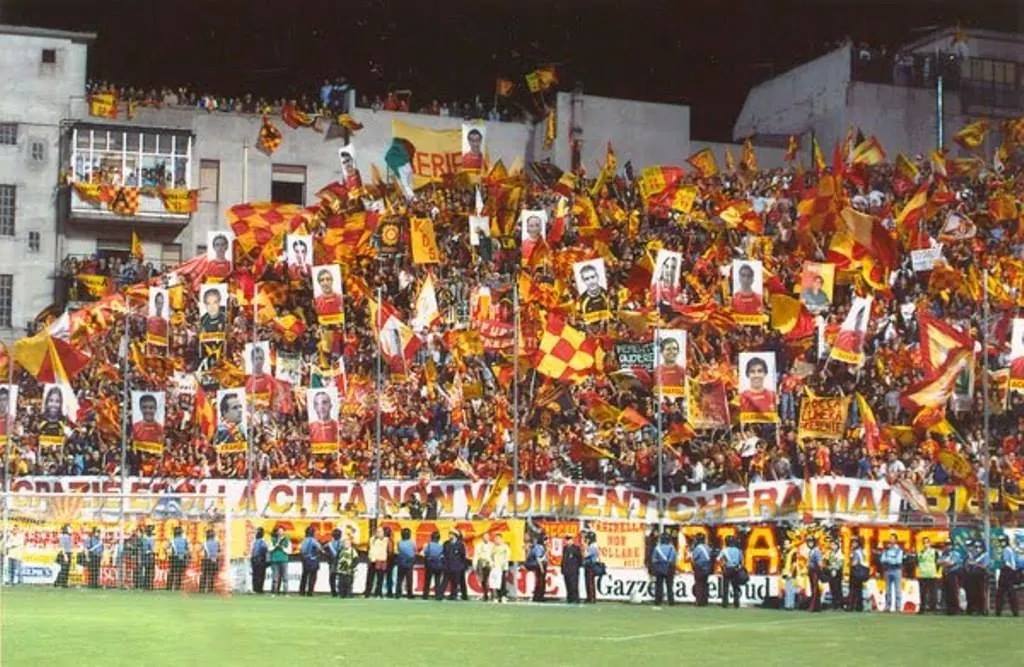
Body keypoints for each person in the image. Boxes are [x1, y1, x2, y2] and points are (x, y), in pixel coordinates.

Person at [651, 532, 678, 606]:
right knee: (669, 586)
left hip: (659, 568)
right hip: (669, 568)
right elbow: (674, 560)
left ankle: (658, 601)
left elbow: (654, 560)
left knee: (659, 586)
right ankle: (671, 602)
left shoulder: (657, 548)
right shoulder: (672, 548)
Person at [880, 533, 904, 613]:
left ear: (896, 540)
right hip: (887, 570)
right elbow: (882, 560)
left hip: (896, 570)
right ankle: (887, 606)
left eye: (893, 539)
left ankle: (898, 607)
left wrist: (888, 559)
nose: (891, 540)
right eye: (890, 538)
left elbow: (898, 561)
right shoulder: (886, 550)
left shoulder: (899, 550)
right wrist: (892, 559)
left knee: (898, 589)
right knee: (887, 590)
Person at [441, 529, 468, 601]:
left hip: (457, 566)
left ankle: (453, 595)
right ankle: (440, 595)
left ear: (455, 535)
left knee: (455, 582)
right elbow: (443, 554)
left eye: (451, 534)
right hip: (447, 566)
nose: (449, 535)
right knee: (444, 581)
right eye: (449, 534)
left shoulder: (460, 544)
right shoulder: (446, 543)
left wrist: (462, 565)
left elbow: (463, 556)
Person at [994, 535, 1019, 617]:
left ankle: (999, 611)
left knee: (1003, 593)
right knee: (1009, 593)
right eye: (1000, 541)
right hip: (1010, 572)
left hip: (1007, 571)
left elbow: (1007, 563)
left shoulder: (1006, 550)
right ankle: (1014, 612)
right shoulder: (1010, 550)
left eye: (1003, 541)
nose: (1001, 543)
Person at [938, 541, 964, 615]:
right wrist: (945, 563)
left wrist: (944, 563)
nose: (947, 547)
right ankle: (948, 609)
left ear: (952, 546)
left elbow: (951, 563)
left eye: (948, 545)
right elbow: (938, 562)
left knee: (954, 592)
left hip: (953, 574)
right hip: (946, 574)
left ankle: (955, 609)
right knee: (947, 592)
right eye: (946, 545)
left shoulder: (955, 554)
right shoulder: (944, 554)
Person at [965, 540, 990, 615]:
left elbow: (985, 566)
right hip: (973, 575)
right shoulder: (973, 555)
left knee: (981, 593)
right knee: (972, 593)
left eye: (979, 547)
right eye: (976, 547)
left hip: (982, 575)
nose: (977, 549)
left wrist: (975, 564)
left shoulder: (985, 555)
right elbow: (968, 564)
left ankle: (982, 610)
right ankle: (973, 609)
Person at [717, 536, 743, 608]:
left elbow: (718, 559)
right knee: (735, 587)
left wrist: (722, 566)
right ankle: (736, 604)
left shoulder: (724, 550)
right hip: (735, 569)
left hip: (727, 569)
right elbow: (741, 561)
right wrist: (738, 567)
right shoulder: (738, 550)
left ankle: (725, 604)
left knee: (725, 587)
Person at [916, 536, 940, 613]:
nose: (925, 544)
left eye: (927, 542)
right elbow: (917, 563)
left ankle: (933, 608)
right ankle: (922, 608)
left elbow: (938, 562)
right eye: (924, 543)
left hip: (932, 574)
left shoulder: (934, 552)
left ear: (930, 543)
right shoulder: (920, 552)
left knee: (933, 593)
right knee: (922, 593)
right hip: (922, 575)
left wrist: (935, 570)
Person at [366, 526, 389, 598]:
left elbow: (388, 550)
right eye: (377, 531)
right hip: (373, 560)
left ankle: (378, 593)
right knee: (370, 578)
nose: (378, 533)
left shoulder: (386, 539)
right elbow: (369, 548)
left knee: (380, 578)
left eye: (380, 531)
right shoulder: (372, 539)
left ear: (383, 533)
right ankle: (367, 593)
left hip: (381, 560)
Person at [299, 526, 322, 596]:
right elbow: (320, 548)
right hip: (313, 560)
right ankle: (310, 592)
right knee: (312, 577)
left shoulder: (304, 541)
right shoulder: (313, 540)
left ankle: (302, 591)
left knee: (304, 576)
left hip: (305, 560)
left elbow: (301, 550)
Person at [422, 530, 445, 600]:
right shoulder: (441, 546)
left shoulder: (428, 545)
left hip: (430, 565)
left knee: (427, 581)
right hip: (438, 565)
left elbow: (425, 553)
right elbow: (442, 555)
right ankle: (437, 595)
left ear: (431, 537)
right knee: (437, 581)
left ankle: (425, 595)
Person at [847, 537, 868, 612]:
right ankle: (859, 606)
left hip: (856, 572)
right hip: (860, 572)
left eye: (854, 543)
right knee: (859, 590)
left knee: (853, 589)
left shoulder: (856, 552)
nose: (853, 544)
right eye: (852, 543)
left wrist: (850, 563)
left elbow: (854, 563)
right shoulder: (861, 551)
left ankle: (851, 606)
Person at [561, 533, 582, 604]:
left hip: (574, 569)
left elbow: (580, 558)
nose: (568, 541)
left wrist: (577, 566)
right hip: (566, 569)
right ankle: (569, 598)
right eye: (567, 540)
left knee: (574, 585)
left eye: (569, 539)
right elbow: (563, 559)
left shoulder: (576, 548)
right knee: (568, 584)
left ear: (572, 540)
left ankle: (576, 599)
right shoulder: (565, 548)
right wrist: (562, 568)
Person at [526, 534, 548, 602]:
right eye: (545, 540)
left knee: (541, 581)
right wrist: (541, 568)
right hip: (539, 566)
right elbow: (538, 559)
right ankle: (538, 596)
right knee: (540, 581)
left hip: (540, 565)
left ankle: (540, 596)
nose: (547, 541)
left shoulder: (541, 547)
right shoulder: (539, 547)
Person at [395, 527, 416, 599]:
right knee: (409, 579)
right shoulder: (412, 542)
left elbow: (398, 550)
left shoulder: (399, 542)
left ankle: (398, 594)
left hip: (401, 560)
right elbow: (415, 550)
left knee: (399, 579)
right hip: (409, 561)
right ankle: (409, 594)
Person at [490, 533, 511, 603]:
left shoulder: (505, 547)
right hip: (495, 567)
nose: (496, 540)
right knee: (496, 583)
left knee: (503, 582)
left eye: (498, 539)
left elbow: (507, 556)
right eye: (495, 539)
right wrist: (492, 563)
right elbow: (491, 556)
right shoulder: (494, 547)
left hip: (503, 567)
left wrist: (504, 564)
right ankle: (497, 596)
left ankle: (503, 596)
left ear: (501, 539)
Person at [269, 526, 290, 594]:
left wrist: (282, 548)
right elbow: (269, 549)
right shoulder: (273, 539)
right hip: (275, 560)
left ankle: (285, 592)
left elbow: (289, 551)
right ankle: (274, 592)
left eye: (281, 531)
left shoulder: (287, 540)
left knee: (285, 577)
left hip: (284, 560)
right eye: (279, 531)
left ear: (284, 532)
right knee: (275, 578)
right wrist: (275, 546)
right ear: (277, 532)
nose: (280, 532)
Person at [582, 531, 601, 604]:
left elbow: (585, 555)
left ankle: (591, 598)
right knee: (588, 582)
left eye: (587, 538)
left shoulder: (593, 546)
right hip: (589, 565)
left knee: (590, 582)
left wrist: (585, 546)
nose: (586, 540)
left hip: (591, 566)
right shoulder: (593, 546)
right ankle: (589, 597)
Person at [167, 526, 189, 591]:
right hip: (182, 558)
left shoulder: (172, 540)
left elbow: (166, 547)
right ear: (181, 533)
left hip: (174, 557)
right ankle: (177, 587)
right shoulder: (185, 540)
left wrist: (170, 552)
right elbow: (187, 549)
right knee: (179, 573)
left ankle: (170, 586)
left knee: (172, 572)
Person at [474, 532, 494, 601]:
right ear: (482, 538)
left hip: (490, 564)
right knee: (483, 580)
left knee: (491, 580)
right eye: (484, 537)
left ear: (489, 537)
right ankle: (485, 595)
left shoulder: (492, 545)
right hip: (481, 564)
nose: (486, 538)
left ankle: (493, 594)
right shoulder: (479, 545)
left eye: (487, 537)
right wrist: (475, 564)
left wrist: (493, 563)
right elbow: (476, 555)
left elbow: (494, 555)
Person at [200, 529, 220, 593]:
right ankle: (210, 589)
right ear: (214, 535)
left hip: (206, 560)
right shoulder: (217, 543)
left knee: (204, 575)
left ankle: (202, 589)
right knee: (211, 576)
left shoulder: (205, 543)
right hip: (214, 560)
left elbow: (200, 550)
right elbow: (219, 551)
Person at [806, 536, 823, 612]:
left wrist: (820, 571)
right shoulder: (811, 551)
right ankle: (817, 607)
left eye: (811, 542)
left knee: (815, 589)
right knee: (813, 588)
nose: (810, 544)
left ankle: (813, 607)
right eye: (809, 542)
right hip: (811, 571)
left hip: (815, 571)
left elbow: (820, 562)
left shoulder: (816, 550)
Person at [826, 539, 844, 610]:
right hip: (831, 572)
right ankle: (834, 604)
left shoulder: (840, 554)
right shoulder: (831, 553)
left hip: (837, 573)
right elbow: (828, 562)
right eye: (832, 545)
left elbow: (840, 564)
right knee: (832, 588)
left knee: (837, 588)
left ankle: (839, 604)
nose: (833, 546)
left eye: (834, 545)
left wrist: (835, 569)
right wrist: (830, 568)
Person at [250, 527, 268, 594]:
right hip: (254, 560)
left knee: (261, 575)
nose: (257, 533)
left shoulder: (264, 542)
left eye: (258, 532)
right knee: (255, 575)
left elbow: (265, 551)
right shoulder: (254, 541)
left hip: (261, 560)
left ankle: (259, 589)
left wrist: (264, 560)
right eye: (256, 532)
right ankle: (255, 589)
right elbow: (252, 551)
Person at [325, 528, 342, 597]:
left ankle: (335, 592)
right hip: (336, 562)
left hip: (335, 562)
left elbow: (325, 552)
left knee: (333, 578)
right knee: (336, 577)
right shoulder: (333, 543)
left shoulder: (331, 544)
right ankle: (337, 592)